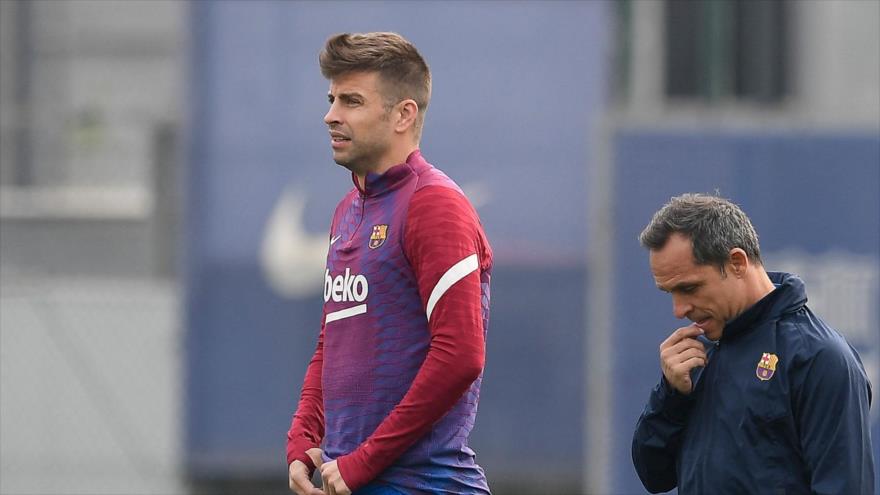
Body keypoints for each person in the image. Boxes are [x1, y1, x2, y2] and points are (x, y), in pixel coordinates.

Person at [286, 32, 493, 495]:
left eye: (352, 101)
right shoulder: (348, 209)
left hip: (425, 484)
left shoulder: (434, 204)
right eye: (332, 98)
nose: (331, 115)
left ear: (404, 114)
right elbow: (331, 339)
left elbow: (461, 355)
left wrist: (365, 459)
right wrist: (303, 436)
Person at [631, 193, 874, 494]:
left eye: (689, 288)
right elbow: (654, 476)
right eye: (670, 293)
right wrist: (671, 396)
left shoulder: (819, 357)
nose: (679, 310)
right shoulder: (697, 355)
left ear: (736, 263)